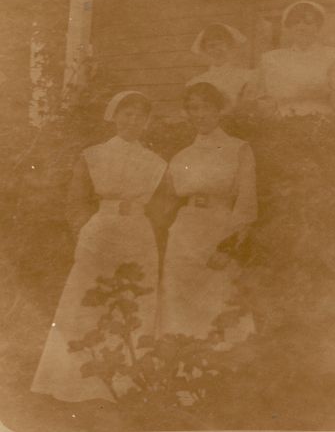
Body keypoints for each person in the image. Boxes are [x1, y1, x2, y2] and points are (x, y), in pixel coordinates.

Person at [31, 91, 166, 403]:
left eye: (139, 116)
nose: (132, 122)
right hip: (101, 232)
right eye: (126, 114)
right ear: (114, 116)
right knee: (87, 299)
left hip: (138, 234)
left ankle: (126, 381)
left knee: (135, 299)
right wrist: (84, 231)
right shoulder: (93, 154)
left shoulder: (156, 162)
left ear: (147, 122)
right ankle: (72, 380)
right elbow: (75, 201)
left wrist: (148, 227)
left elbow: (163, 205)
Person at [159, 82, 257, 342]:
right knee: (179, 303)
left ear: (219, 110)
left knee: (219, 301)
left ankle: (221, 371)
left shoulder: (238, 149)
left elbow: (246, 204)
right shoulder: (181, 156)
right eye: (193, 108)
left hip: (219, 231)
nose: (199, 114)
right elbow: (166, 202)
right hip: (184, 235)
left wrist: (229, 247)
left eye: (206, 107)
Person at [257, 0, 335, 117]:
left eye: (308, 23)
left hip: (321, 123)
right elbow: (265, 100)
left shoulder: (334, 56)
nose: (301, 27)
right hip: (281, 124)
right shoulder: (271, 58)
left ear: (318, 27)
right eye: (296, 22)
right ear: (289, 27)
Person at [186, 23, 260, 113]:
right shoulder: (196, 82)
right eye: (211, 46)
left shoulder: (248, 77)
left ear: (231, 46)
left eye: (221, 44)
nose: (217, 50)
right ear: (204, 50)